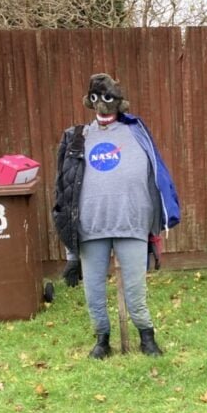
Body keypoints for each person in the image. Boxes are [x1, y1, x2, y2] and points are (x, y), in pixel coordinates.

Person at [52, 73, 180, 359]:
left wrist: (155, 223)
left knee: (136, 288)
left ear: (119, 102)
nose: (102, 105)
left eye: (108, 98)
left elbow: (156, 176)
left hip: (131, 223)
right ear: (90, 101)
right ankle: (102, 339)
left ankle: (147, 337)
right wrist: (71, 251)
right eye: (96, 98)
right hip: (90, 227)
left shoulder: (137, 133)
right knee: (94, 289)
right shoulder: (76, 137)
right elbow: (64, 188)